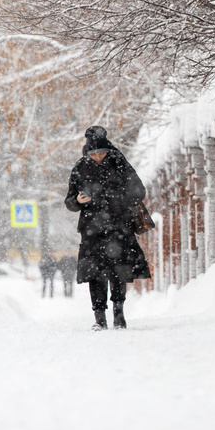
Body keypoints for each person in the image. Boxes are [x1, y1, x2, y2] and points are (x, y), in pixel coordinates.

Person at [64, 125, 151, 329]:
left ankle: (119, 313)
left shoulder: (119, 163)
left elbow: (139, 190)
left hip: (119, 228)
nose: (99, 157)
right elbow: (69, 202)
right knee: (95, 274)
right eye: (94, 154)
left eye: (102, 152)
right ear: (88, 152)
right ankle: (99, 317)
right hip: (92, 231)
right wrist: (78, 200)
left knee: (118, 272)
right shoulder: (80, 168)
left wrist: (119, 197)